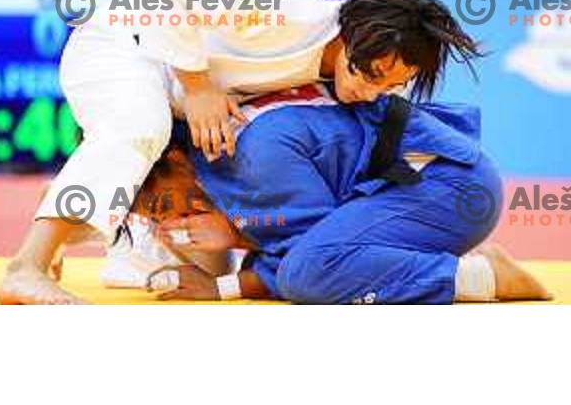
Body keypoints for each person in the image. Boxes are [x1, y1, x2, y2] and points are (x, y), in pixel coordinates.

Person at [0, 0, 482, 304]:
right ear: (354, 36)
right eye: (372, 76)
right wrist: (198, 84)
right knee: (142, 127)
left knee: (191, 254)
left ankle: (80, 227)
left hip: (171, 91)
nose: (374, 92)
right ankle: (26, 267)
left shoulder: (349, 68)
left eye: (391, 85)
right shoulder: (289, 4)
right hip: (124, 45)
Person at [149, 88, 549, 304]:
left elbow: (311, 258)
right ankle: (431, 260)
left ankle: (483, 277)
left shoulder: (248, 157)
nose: (171, 221)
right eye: (153, 219)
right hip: (431, 177)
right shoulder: (221, 142)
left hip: (448, 183)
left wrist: (224, 279)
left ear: (175, 159)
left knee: (306, 275)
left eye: (160, 205)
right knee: (283, 265)